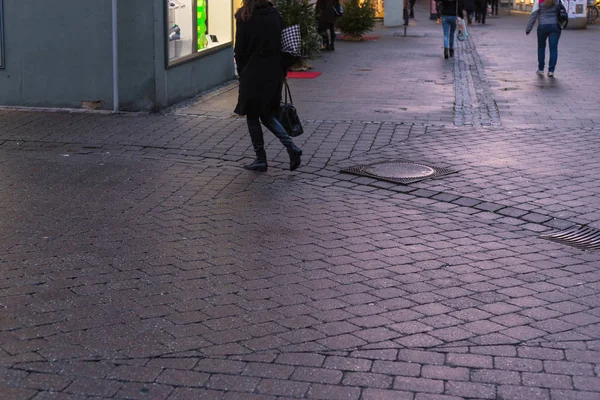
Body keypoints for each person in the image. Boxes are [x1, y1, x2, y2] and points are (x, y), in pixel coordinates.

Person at [234, 0, 302, 172]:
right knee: (267, 114)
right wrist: (282, 70)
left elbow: (239, 50)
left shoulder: (245, 16)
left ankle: (261, 158)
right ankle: (291, 148)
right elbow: (285, 46)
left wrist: (242, 71)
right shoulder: (275, 15)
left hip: (252, 73)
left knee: (252, 115)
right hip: (273, 73)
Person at [526, 0, 562, 77]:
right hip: (555, 26)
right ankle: (551, 71)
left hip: (542, 26)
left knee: (541, 48)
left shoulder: (538, 1)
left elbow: (534, 15)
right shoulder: (558, 1)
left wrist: (528, 29)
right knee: (553, 49)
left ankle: (541, 69)